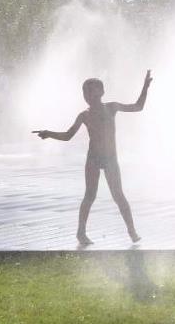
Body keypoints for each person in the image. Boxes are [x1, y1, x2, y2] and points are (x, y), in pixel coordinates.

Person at [33, 70, 152, 245]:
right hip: (93, 159)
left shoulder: (112, 107)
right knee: (90, 196)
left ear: (102, 92)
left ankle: (132, 231)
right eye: (85, 92)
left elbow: (138, 107)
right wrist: (49, 133)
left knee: (119, 195)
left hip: (111, 159)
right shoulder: (84, 115)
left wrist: (145, 86)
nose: (88, 95)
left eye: (92, 91)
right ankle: (81, 233)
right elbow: (68, 135)